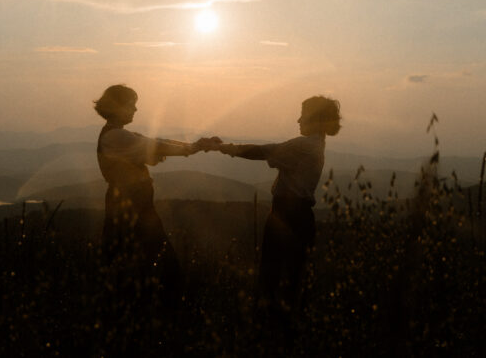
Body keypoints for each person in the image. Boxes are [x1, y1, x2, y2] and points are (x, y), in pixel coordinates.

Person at [214, 95, 341, 318]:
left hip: (288, 215)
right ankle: (284, 326)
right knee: (291, 277)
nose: (299, 120)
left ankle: (272, 330)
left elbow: (262, 151)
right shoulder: (314, 144)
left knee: (274, 276)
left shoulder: (305, 145)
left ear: (315, 118)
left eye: (303, 115)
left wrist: (221, 148)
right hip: (297, 215)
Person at [94, 84, 217, 304]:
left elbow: (159, 143)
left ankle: (133, 306)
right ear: (118, 107)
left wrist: (195, 145)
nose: (135, 110)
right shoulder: (116, 137)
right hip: (130, 207)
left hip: (134, 206)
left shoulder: (120, 135)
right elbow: (157, 146)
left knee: (131, 261)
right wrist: (195, 147)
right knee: (152, 260)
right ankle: (158, 308)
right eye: (131, 105)